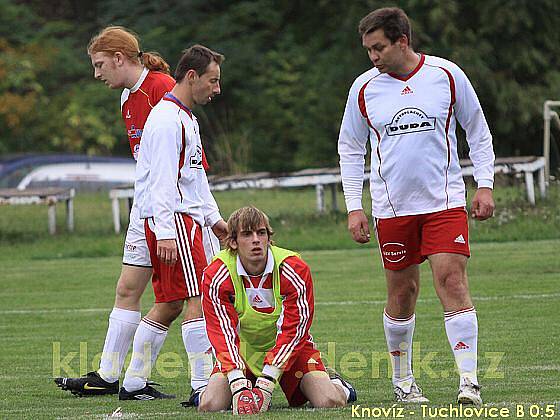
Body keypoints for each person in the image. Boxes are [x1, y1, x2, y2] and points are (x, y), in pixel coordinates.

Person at [338, 7, 495, 406]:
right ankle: (403, 382)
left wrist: (485, 185)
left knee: (453, 282)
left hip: (444, 202)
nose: (372, 57)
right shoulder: (363, 89)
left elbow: (477, 130)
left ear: (402, 41)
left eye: (378, 48)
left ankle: (469, 383)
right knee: (403, 293)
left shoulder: (446, 75)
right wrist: (354, 207)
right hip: (392, 210)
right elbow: (351, 149)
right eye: (368, 50)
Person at [54, 27, 219, 399]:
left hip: (170, 210)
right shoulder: (127, 98)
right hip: (150, 210)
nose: (97, 74)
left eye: (100, 65)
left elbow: (187, 164)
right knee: (132, 290)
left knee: (176, 299)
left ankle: (137, 380)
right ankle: (111, 375)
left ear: (118, 57)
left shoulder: (161, 88)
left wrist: (203, 216)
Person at [117, 44, 228, 400]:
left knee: (170, 303)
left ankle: (133, 382)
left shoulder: (183, 116)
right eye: (212, 81)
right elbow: (162, 181)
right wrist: (165, 231)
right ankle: (201, 387)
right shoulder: (167, 120)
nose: (217, 89)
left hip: (183, 220)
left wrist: (214, 219)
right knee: (199, 299)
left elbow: (192, 178)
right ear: (192, 76)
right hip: (175, 222)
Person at [195, 206, 357, 414]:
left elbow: (295, 329)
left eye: (261, 233)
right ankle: (230, 388)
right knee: (209, 405)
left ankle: (340, 386)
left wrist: (267, 383)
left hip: (292, 350)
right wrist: (237, 383)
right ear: (233, 242)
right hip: (243, 352)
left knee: (328, 401)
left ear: (268, 237)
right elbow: (221, 331)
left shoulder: (293, 268)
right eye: (247, 234)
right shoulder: (217, 273)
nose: (256, 240)